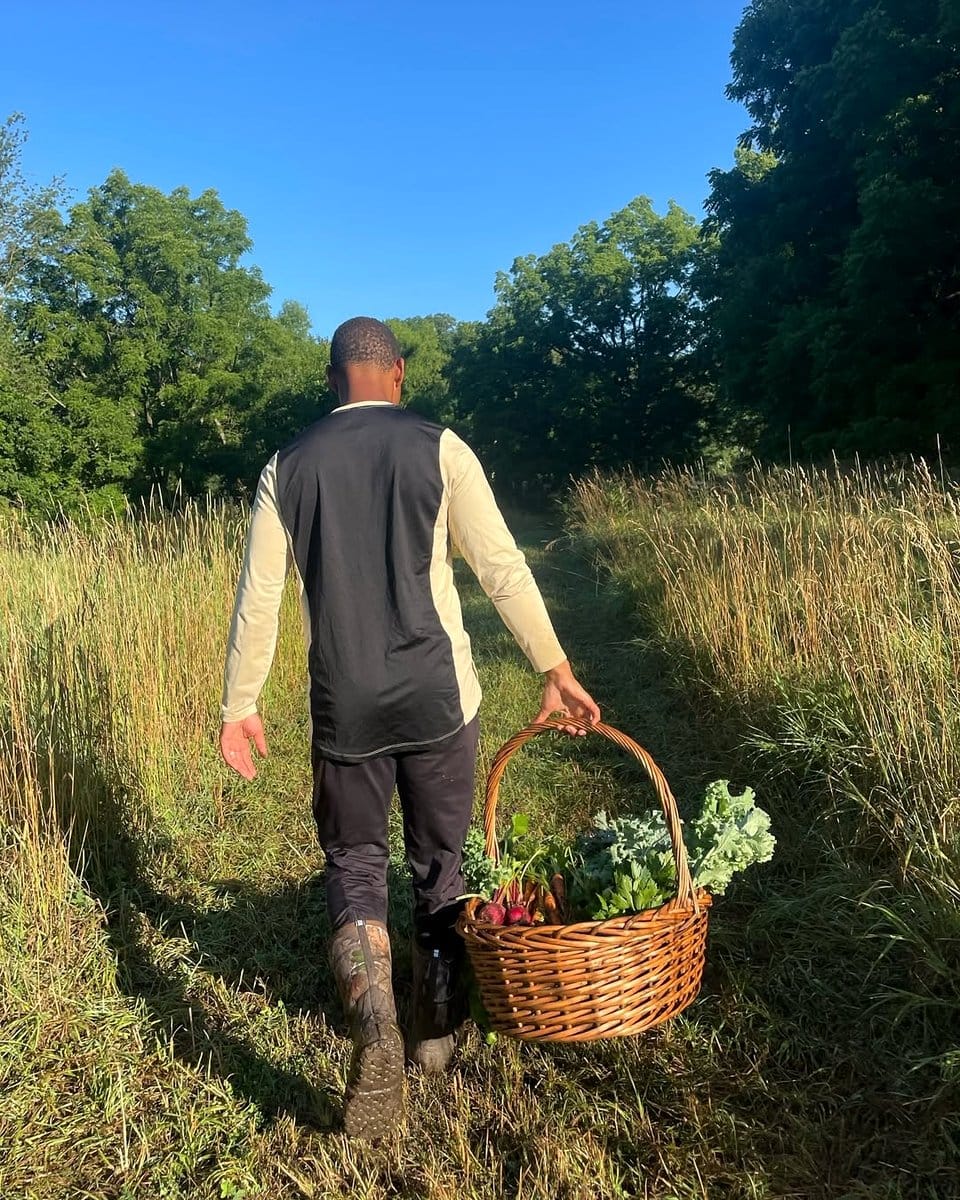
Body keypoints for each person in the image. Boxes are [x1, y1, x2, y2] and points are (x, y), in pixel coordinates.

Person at [219, 316, 600, 1139]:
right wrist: (554, 666)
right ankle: (434, 1031)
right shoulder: (441, 446)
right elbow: (500, 564)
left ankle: (375, 1026)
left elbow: (260, 598)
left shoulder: (285, 466)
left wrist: (238, 705)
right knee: (441, 857)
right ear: (396, 374)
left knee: (355, 859)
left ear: (332, 380)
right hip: (437, 696)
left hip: (344, 702)